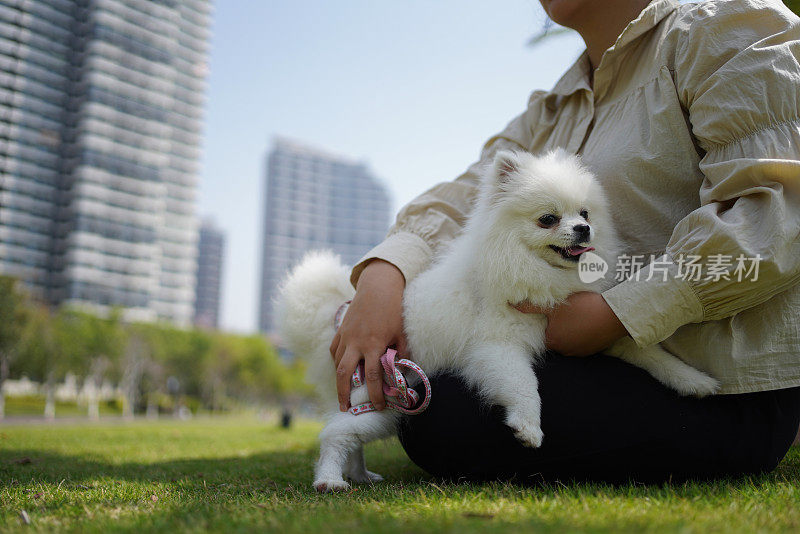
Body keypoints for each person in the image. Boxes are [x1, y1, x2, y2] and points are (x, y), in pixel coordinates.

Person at [330, 0, 800, 483]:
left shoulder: (728, 28)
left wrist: (621, 311)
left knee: (446, 416)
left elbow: (779, 207)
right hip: (599, 367)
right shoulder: (556, 105)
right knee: (436, 390)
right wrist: (386, 273)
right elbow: (469, 196)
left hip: (724, 388)